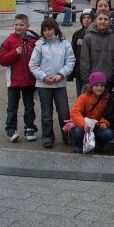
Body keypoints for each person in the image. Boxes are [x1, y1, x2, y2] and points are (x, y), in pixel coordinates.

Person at [29, 18, 76, 149]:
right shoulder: (40, 45)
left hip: (59, 83)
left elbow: (70, 61)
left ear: (55, 29)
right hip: (44, 84)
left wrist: (61, 74)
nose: (47, 32)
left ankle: (67, 135)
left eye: (49, 29)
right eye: (44, 30)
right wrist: (43, 77)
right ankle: (47, 136)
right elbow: (33, 64)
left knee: (64, 112)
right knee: (46, 113)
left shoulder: (64, 44)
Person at [0, 13, 39, 142]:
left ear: (28, 26)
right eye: (16, 24)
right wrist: (14, 53)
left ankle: (29, 127)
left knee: (29, 106)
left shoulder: (34, 41)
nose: (18, 27)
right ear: (13, 25)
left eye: (22, 25)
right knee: (12, 107)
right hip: (14, 81)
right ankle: (10, 129)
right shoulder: (9, 41)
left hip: (29, 81)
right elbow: (2, 60)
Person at [70, 71, 113, 154]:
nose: (99, 88)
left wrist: (105, 123)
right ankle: (78, 146)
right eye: (96, 85)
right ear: (91, 86)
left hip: (97, 126)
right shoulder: (83, 97)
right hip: (83, 125)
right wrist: (83, 124)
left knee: (108, 133)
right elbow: (75, 112)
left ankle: (98, 145)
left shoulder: (107, 99)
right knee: (77, 131)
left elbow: (108, 114)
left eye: (102, 85)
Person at [80, 10, 114, 91]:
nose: (103, 22)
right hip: (93, 80)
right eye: (100, 19)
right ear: (95, 21)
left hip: (109, 80)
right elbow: (84, 60)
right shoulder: (88, 38)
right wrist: (86, 80)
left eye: (106, 19)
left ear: (110, 22)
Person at [68, 9, 93, 97]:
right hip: (79, 69)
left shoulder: (94, 34)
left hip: (90, 69)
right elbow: (72, 52)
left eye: (89, 18)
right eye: (84, 18)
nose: (86, 20)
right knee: (79, 94)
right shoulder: (77, 34)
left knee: (85, 93)